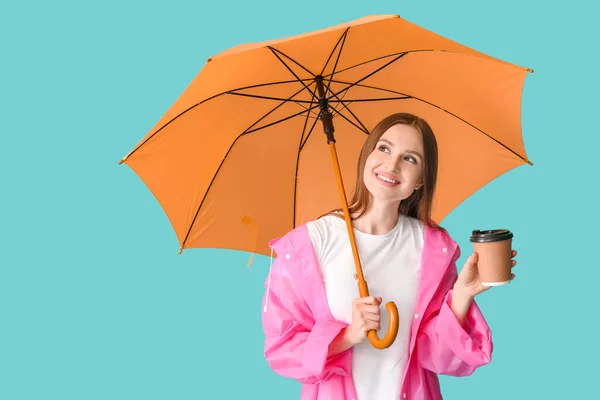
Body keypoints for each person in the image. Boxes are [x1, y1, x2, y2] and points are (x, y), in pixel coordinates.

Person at [261, 113, 517, 400]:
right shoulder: (310, 244)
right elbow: (281, 348)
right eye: (384, 148)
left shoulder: (431, 248)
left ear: (420, 180)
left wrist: (461, 296)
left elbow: (440, 357)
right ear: (367, 156)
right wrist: (347, 336)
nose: (392, 164)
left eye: (410, 158)